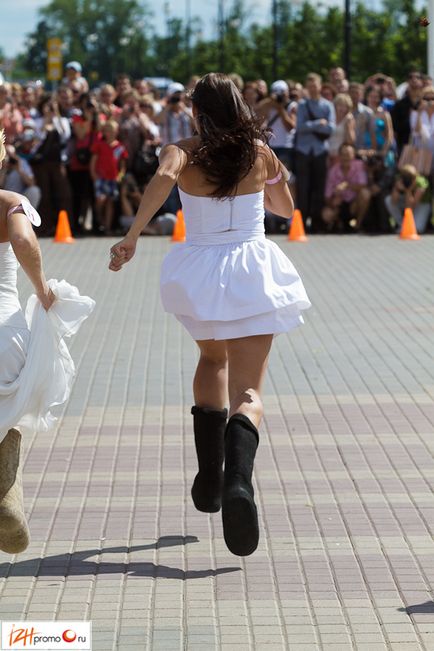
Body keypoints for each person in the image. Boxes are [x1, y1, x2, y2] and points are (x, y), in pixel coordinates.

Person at [109, 73, 311, 557]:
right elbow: (284, 209)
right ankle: (239, 481)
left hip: (200, 270)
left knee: (211, 361)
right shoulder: (259, 154)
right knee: (249, 392)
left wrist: (133, 235)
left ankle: (210, 474)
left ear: (197, 113)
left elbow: (162, 180)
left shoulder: (180, 151)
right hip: (251, 270)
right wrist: (274, 176)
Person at [0, 129, 94, 554]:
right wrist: (41, 289)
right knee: (7, 415)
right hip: (5, 330)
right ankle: (6, 493)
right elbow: (22, 239)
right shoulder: (9, 203)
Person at [294, 73, 336, 232]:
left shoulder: (327, 106)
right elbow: (299, 127)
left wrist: (310, 126)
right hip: (303, 151)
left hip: (320, 151)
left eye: (315, 85)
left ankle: (318, 222)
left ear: (320, 86)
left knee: (319, 187)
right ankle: (302, 221)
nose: (312, 89)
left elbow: (331, 128)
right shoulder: (302, 105)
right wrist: (318, 123)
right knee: (303, 187)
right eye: (309, 86)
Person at [90, 119, 128, 234]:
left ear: (116, 131)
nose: (109, 133)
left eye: (111, 130)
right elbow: (93, 161)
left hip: (112, 178)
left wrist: (120, 176)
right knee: (100, 199)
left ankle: (107, 226)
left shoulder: (120, 147)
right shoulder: (99, 145)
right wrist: (94, 175)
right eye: (107, 130)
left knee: (110, 202)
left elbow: (122, 165)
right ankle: (99, 219)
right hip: (101, 178)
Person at [323, 144, 371, 232]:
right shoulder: (333, 170)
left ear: (353, 155)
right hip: (339, 205)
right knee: (326, 215)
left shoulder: (359, 165)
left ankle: (358, 225)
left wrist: (347, 185)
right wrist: (333, 200)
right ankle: (338, 224)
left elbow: (363, 185)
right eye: (343, 154)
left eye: (348, 154)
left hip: (354, 204)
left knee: (365, 194)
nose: (345, 157)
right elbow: (327, 196)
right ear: (339, 156)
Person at [385, 164, 431, 234]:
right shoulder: (399, 179)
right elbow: (393, 202)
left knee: (417, 229)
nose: (407, 179)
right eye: (405, 176)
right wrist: (397, 188)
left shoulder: (421, 182)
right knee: (388, 200)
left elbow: (411, 207)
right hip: (407, 201)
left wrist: (408, 190)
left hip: (421, 204)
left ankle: (408, 225)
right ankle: (402, 225)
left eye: (410, 176)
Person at [391, 71, 423, 156]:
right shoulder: (399, 105)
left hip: (425, 146)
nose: (414, 80)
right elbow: (394, 128)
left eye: (417, 78)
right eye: (411, 78)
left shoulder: (426, 103)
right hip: (404, 144)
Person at [328, 93, 355, 163]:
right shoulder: (330, 117)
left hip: (340, 156)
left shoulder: (349, 119)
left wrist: (348, 126)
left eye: (344, 106)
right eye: (339, 105)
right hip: (327, 154)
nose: (341, 108)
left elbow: (350, 141)